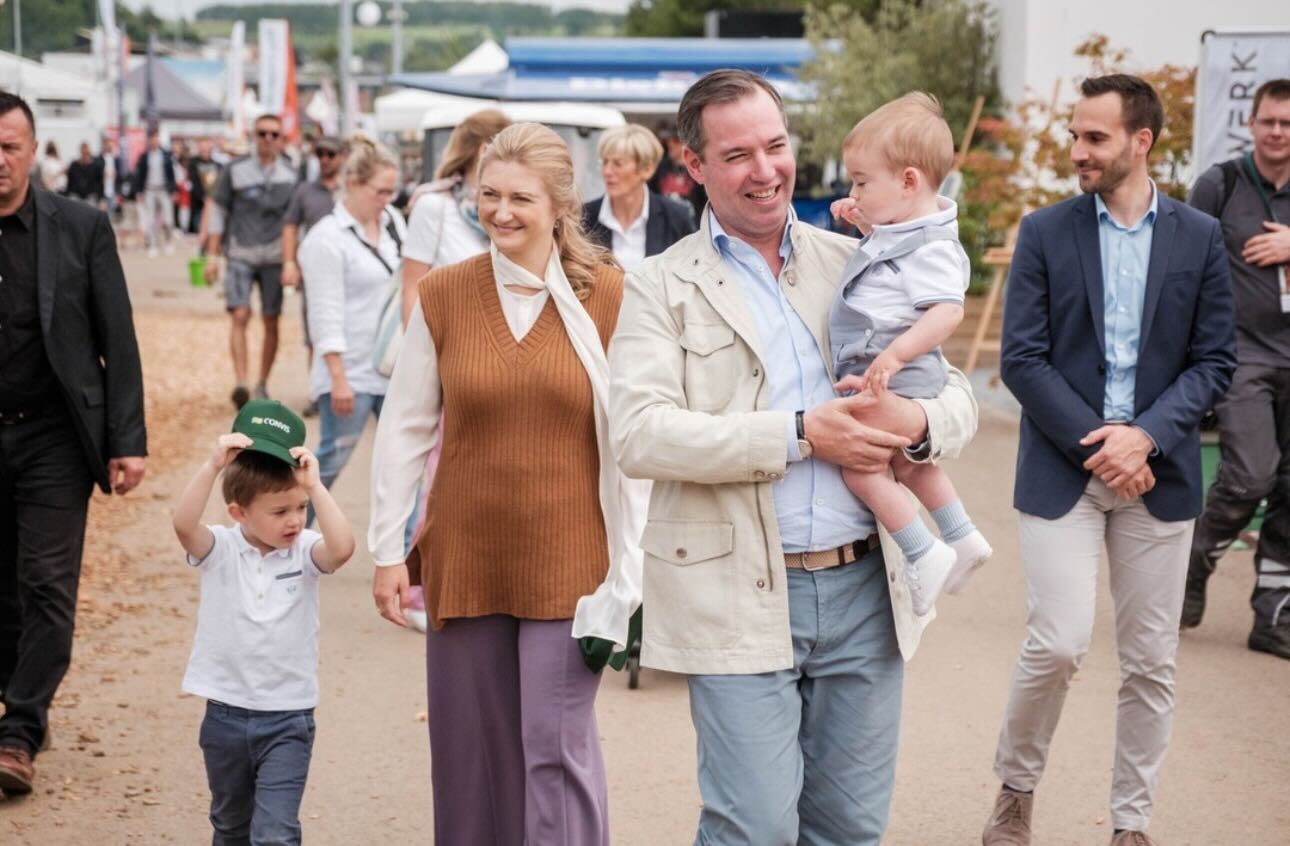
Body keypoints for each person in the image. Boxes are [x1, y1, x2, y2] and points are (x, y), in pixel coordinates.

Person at [608, 69, 979, 845]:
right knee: (753, 831)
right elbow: (639, 433)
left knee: (848, 830)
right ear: (695, 165)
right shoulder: (658, 285)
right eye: (738, 153)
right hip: (734, 587)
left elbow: (958, 401)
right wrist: (800, 432)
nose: (765, 168)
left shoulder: (858, 258)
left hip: (863, 593)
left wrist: (909, 420)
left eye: (775, 145)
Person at [368, 122, 648, 844]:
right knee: (469, 756)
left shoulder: (611, 298)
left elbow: (639, 437)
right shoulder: (445, 294)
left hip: (571, 560)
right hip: (466, 556)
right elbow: (404, 427)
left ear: (560, 204)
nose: (501, 212)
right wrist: (386, 551)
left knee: (555, 748)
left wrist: (637, 565)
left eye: (520, 198)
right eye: (488, 195)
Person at [982, 74, 1236, 846]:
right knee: (1057, 641)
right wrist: (1107, 446)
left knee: (1151, 663)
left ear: (1140, 142)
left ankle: (1131, 825)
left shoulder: (1200, 236)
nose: (1078, 150)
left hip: (1160, 476)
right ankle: (1016, 790)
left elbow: (1214, 360)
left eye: (1094, 137)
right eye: (1073, 135)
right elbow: (1022, 361)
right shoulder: (1045, 231)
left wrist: (1146, 437)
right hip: (1067, 469)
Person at [0, 91, 147, 795]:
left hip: (56, 434)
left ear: (34, 151)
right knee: (5, 593)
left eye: (9, 147)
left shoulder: (81, 227)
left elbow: (116, 334)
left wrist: (129, 440)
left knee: (48, 586)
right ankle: (17, 699)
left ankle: (19, 730)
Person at [826, 92, 992, 614]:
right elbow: (889, 264)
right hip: (893, 369)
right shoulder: (908, 230)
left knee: (864, 470)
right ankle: (964, 539)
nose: (853, 190)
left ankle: (924, 553)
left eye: (861, 181)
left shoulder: (935, 247)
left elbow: (947, 311)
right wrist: (864, 223)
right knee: (911, 465)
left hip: (895, 372)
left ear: (909, 182)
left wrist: (894, 358)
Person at [172, 401, 354, 844]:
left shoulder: (306, 552)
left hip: (288, 718)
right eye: (279, 512)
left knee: (275, 833)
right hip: (225, 716)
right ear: (239, 512)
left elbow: (343, 548)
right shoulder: (220, 548)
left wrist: (316, 486)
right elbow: (183, 522)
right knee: (231, 827)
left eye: (300, 508)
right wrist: (213, 464)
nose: (294, 521)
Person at [1182, 78, 1290, 660]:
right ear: (1251, 123)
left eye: (1288, 123)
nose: (1278, 132)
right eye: (1269, 120)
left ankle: (1273, 617)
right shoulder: (1221, 184)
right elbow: (1181, 260)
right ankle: (1195, 560)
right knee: (1252, 475)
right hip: (1241, 354)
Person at [396, 109, 510, 631]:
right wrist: (422, 358)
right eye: (494, 146)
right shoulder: (434, 208)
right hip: (447, 352)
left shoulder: (503, 211)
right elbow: (412, 285)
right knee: (434, 469)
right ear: (474, 149)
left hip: (500, 355)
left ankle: (475, 580)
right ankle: (418, 587)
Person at [297, 138, 405, 513]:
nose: (387, 199)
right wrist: (337, 376)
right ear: (354, 184)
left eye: (392, 191)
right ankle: (285, 535)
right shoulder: (326, 238)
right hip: (351, 371)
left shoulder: (393, 223)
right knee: (329, 462)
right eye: (381, 191)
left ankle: (404, 554)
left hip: (393, 367)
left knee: (404, 464)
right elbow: (324, 311)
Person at [204, 113, 300, 409]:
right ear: (253, 136)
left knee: (271, 318)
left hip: (274, 256)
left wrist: (293, 260)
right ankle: (241, 381)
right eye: (262, 133)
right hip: (241, 252)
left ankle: (262, 382)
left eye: (274, 134)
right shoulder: (234, 170)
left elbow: (295, 221)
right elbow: (218, 212)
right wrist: (212, 254)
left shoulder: (291, 173)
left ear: (282, 139)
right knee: (240, 315)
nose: (268, 139)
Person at [401, 109, 511, 323]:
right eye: (511, 151)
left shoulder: (512, 212)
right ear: (484, 151)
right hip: (448, 338)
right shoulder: (434, 206)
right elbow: (412, 289)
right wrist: (416, 352)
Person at [282, 136, 347, 419]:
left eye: (330, 154)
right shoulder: (305, 192)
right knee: (315, 332)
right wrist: (289, 263)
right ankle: (318, 391)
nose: (325, 159)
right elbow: (290, 227)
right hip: (316, 272)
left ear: (343, 156)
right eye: (319, 154)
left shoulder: (350, 190)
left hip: (349, 272)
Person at [582, 123, 697, 269]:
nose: (607, 171)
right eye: (604, 162)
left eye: (618, 164)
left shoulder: (676, 218)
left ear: (647, 169)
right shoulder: (583, 217)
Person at [131, 130, 178, 258]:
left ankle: (168, 242)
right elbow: (139, 176)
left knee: (168, 219)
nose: (154, 142)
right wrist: (139, 192)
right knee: (150, 220)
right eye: (152, 139)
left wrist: (173, 191)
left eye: (156, 139)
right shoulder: (144, 157)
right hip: (149, 190)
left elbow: (172, 175)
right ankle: (152, 245)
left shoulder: (167, 156)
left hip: (164, 190)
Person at [649, 125, 706, 222]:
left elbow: (704, 201)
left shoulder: (699, 168)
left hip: (692, 225)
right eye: (668, 141)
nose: (671, 144)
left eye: (676, 140)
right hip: (665, 225)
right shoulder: (659, 168)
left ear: (687, 144)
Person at [189, 138, 222, 242]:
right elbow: (194, 182)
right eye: (202, 149)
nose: (204, 152)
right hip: (199, 202)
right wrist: (203, 198)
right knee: (200, 229)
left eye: (207, 149)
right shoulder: (193, 163)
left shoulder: (218, 165)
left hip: (215, 203)